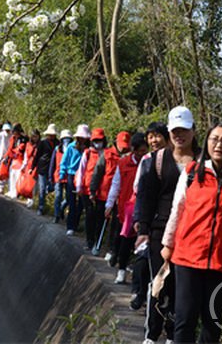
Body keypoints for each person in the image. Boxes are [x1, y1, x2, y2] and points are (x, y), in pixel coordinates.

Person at [161, 122, 222, 344]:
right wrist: (168, 244)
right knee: (184, 320)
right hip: (187, 257)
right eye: (214, 139)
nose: (219, 145)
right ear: (206, 142)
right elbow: (176, 211)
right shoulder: (191, 174)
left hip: (221, 261)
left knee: (212, 324)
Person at [136, 106, 198, 344]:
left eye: (184, 130)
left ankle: (173, 334)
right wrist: (143, 229)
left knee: (181, 286)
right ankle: (152, 335)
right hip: (160, 231)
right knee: (159, 281)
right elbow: (146, 195)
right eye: (174, 131)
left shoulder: (203, 160)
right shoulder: (158, 160)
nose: (179, 135)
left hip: (191, 233)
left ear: (193, 130)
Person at [130, 121, 169, 311]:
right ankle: (139, 294)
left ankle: (158, 306)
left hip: (167, 223)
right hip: (150, 221)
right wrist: (140, 219)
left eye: (157, 135)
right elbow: (140, 191)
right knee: (143, 260)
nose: (154, 140)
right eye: (150, 136)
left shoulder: (176, 161)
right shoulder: (147, 161)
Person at [105, 132, 148, 282]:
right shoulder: (123, 163)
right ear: (134, 150)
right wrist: (110, 204)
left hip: (144, 208)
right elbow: (115, 184)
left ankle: (134, 273)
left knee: (140, 244)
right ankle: (121, 270)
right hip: (127, 208)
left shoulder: (150, 162)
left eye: (145, 151)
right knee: (125, 240)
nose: (143, 154)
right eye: (140, 151)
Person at [86, 128, 121, 256]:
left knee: (115, 225)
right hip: (103, 194)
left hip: (119, 196)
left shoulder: (127, 157)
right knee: (99, 220)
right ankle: (95, 242)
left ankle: (111, 248)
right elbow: (97, 174)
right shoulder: (106, 155)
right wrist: (93, 190)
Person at [61, 124, 89, 236]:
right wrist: (62, 173)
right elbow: (64, 161)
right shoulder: (71, 147)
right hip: (72, 175)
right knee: (71, 201)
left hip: (84, 177)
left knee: (82, 203)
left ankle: (76, 224)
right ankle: (70, 226)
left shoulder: (89, 149)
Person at [33, 124, 59, 215]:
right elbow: (37, 156)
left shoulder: (58, 143)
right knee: (42, 188)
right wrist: (33, 167)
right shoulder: (43, 143)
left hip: (53, 169)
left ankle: (45, 204)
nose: (52, 136)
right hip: (43, 168)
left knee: (51, 187)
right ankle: (41, 207)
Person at [52, 129, 73, 223]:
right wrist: (50, 176)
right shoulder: (57, 149)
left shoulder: (73, 149)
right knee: (58, 196)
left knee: (69, 198)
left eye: (68, 138)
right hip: (58, 175)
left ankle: (61, 208)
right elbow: (53, 163)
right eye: (65, 138)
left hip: (69, 176)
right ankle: (56, 215)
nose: (66, 140)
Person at [4, 124, 27, 197]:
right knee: (12, 175)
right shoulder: (13, 139)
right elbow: (10, 149)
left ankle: (16, 192)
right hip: (13, 160)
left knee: (17, 176)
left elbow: (22, 149)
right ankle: (11, 190)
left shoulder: (24, 139)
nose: (14, 133)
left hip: (20, 160)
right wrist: (7, 157)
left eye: (15, 132)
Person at [0, 122, 11, 193]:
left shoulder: (11, 136)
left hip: (7, 157)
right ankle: (0, 187)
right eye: (6, 130)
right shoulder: (1, 135)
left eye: (8, 130)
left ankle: (6, 188)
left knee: (5, 172)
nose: (7, 131)